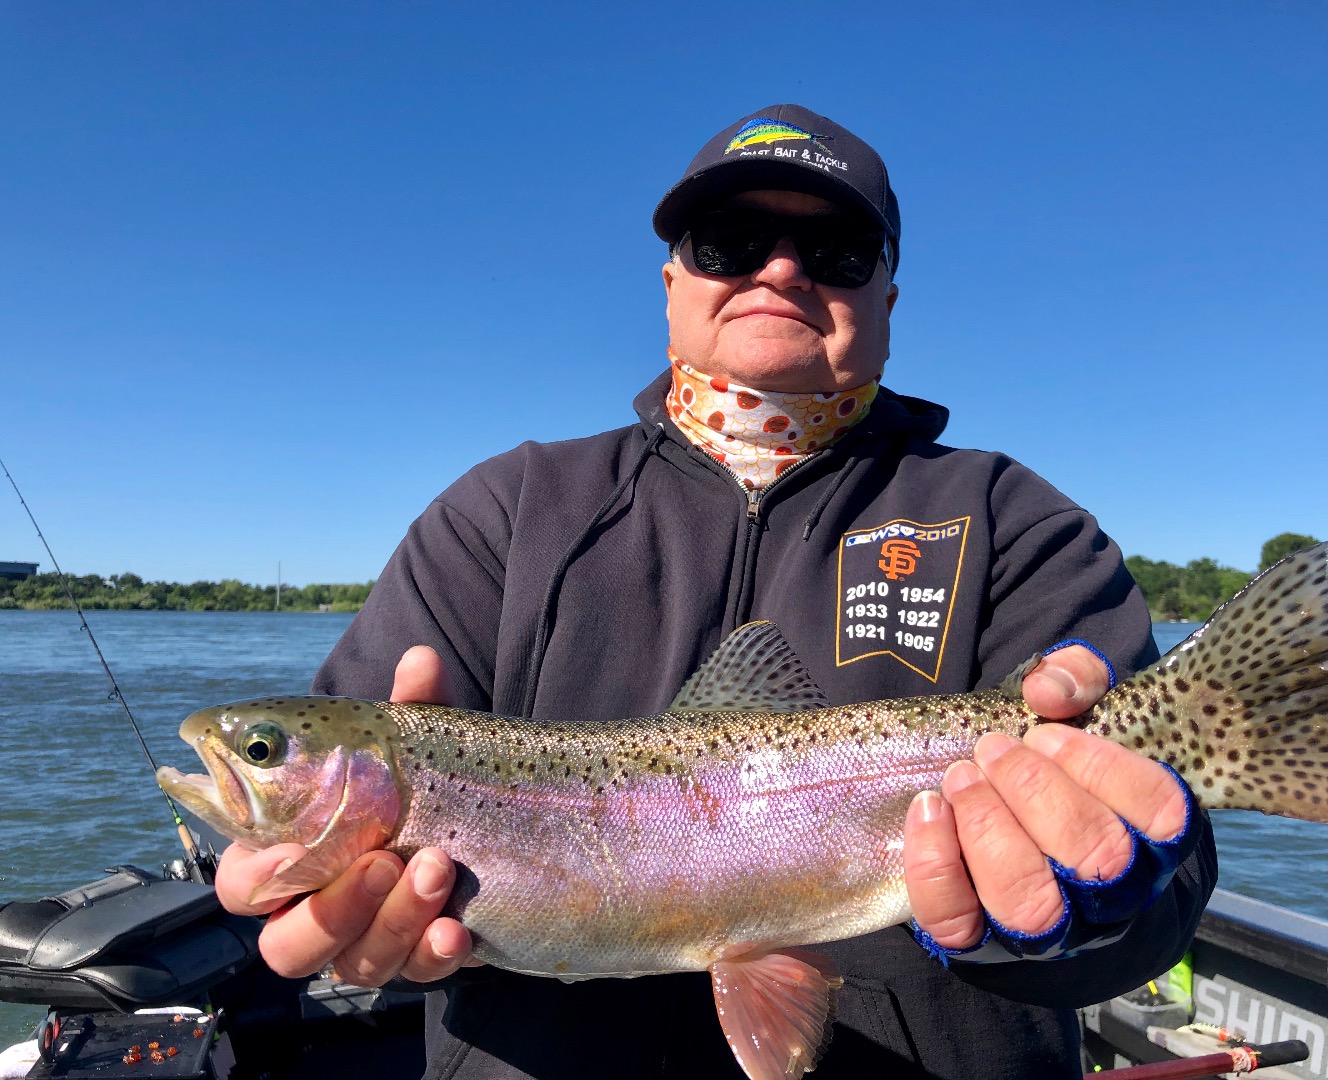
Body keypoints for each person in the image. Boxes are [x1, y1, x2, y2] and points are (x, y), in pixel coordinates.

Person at [215, 104, 1216, 1078]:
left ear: (888, 304)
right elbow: (329, 900)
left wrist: (1054, 919)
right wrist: (314, 907)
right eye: (730, 241)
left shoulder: (1014, 520)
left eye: (837, 254)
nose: (779, 269)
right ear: (670, 285)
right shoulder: (507, 511)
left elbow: (1165, 900)